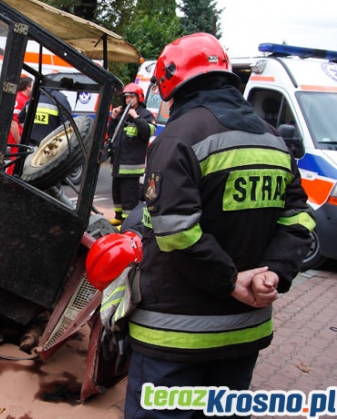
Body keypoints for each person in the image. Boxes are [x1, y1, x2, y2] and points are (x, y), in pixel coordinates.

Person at [125, 33, 315, 418]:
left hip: (174, 336)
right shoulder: (273, 140)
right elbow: (298, 219)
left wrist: (231, 281)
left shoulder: (179, 137)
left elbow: (176, 231)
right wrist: (275, 273)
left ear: (170, 85)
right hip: (243, 334)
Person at [107, 83, 156, 225]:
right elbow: (111, 135)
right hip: (117, 164)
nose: (128, 100)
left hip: (131, 166)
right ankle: (118, 217)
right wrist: (114, 118)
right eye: (126, 97)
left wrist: (136, 117)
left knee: (129, 198)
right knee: (117, 195)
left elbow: (147, 132)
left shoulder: (145, 114)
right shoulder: (122, 113)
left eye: (131, 97)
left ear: (139, 97)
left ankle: (128, 223)